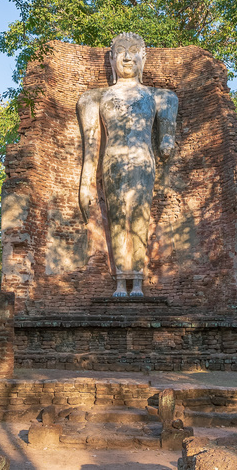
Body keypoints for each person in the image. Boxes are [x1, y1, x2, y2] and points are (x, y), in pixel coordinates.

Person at [77, 33, 178, 297]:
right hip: (114, 162)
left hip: (143, 162)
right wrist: (85, 183)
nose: (126, 57)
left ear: (143, 57)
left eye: (133, 51)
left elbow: (166, 135)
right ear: (112, 59)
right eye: (120, 51)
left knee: (140, 218)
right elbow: (91, 147)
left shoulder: (160, 97)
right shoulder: (95, 98)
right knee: (119, 219)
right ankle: (121, 281)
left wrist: (167, 140)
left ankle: (138, 282)